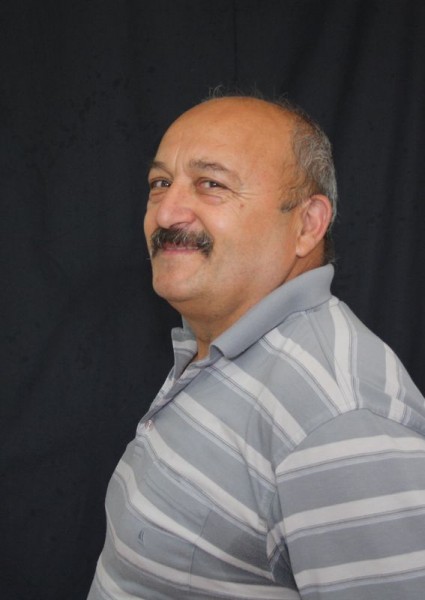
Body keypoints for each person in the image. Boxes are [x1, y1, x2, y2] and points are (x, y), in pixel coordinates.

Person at [88, 95, 425, 599]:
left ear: (307, 225)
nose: (166, 212)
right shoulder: (219, 344)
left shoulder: (338, 418)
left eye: (211, 184)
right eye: (160, 183)